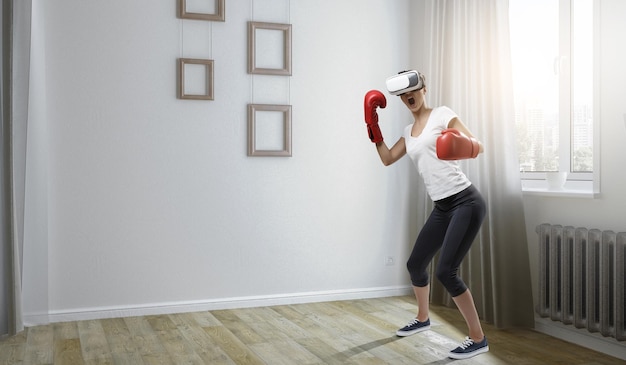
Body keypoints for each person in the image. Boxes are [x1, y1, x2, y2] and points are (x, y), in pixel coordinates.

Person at [363, 70, 489, 360]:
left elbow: (478, 145)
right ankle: (423, 318)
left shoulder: (443, 115)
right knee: (415, 264)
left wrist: (459, 143)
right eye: (403, 96)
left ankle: (478, 338)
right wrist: (373, 128)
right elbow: (386, 158)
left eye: (414, 92)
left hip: (466, 201)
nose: (409, 98)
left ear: (424, 89)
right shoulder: (408, 133)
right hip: (443, 207)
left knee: (446, 271)